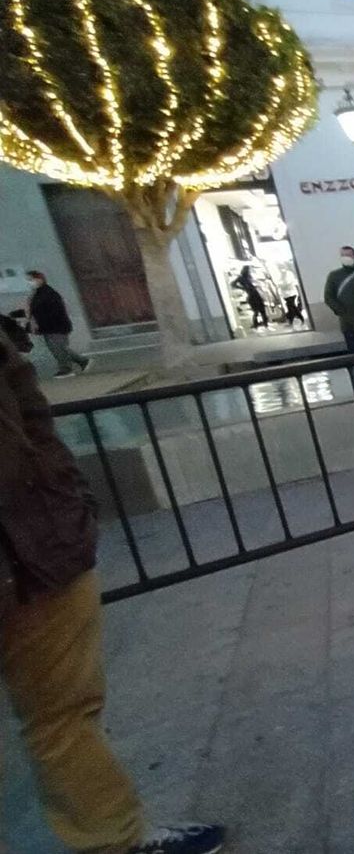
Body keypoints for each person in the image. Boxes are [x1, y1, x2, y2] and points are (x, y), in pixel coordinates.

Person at [0, 335, 227, 854]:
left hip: (39, 552)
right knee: (61, 719)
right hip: (37, 548)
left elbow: (31, 417)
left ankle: (116, 840)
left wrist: (65, 502)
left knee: (63, 716)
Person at [23, 271, 89, 377]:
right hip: (47, 327)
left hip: (56, 326)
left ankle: (66, 369)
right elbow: (34, 311)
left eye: (31, 279)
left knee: (58, 348)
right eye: (28, 280)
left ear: (40, 279)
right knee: (58, 348)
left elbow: (55, 311)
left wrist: (42, 323)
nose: (30, 282)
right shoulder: (36, 294)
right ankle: (82, 361)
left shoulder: (49, 293)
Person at [231, 265, 269, 329]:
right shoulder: (241, 277)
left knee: (262, 310)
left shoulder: (249, 276)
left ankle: (265, 324)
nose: (249, 271)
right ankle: (256, 325)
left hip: (256, 294)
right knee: (256, 311)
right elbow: (233, 284)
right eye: (249, 270)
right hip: (252, 295)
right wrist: (242, 288)